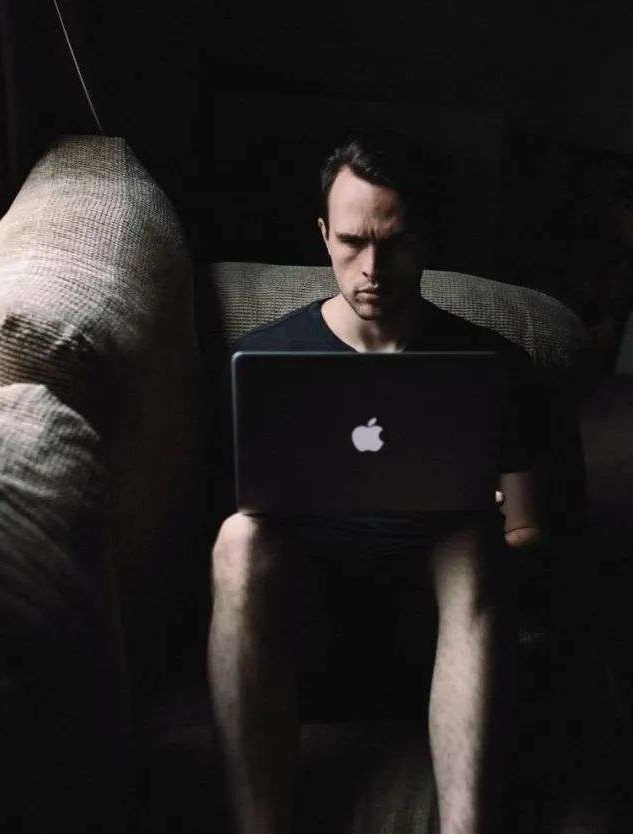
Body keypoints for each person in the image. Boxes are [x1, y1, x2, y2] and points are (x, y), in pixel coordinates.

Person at [207, 132, 545, 834]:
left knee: (475, 545)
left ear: (426, 240)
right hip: (306, 616)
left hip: (439, 617)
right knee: (238, 537)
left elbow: (527, 526)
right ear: (323, 234)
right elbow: (223, 518)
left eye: (395, 244)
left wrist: (500, 522)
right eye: (352, 242)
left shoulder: (489, 364)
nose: (372, 269)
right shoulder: (264, 362)